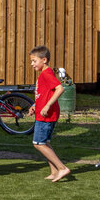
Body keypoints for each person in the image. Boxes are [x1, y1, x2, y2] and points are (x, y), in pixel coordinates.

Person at [29, 45, 71, 182]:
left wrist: (47, 106)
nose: (32, 64)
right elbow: (44, 94)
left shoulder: (46, 74)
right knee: (45, 143)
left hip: (46, 115)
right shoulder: (44, 74)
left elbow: (60, 89)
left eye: (34, 61)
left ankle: (62, 168)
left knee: (38, 144)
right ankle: (54, 171)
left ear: (44, 60)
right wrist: (35, 105)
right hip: (43, 113)